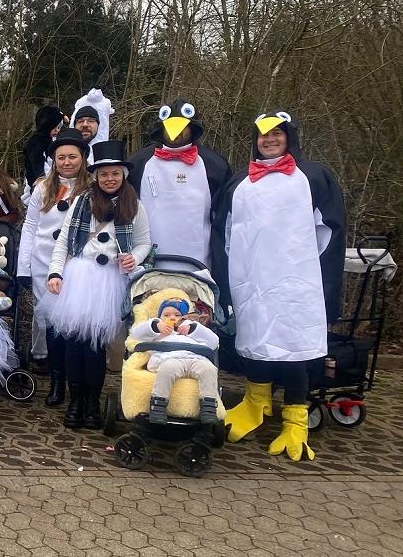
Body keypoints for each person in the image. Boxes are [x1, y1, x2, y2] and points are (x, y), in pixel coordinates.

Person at [218, 110, 345, 462]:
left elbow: (329, 231)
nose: (269, 140)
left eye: (277, 133)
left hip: (296, 280)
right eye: (263, 134)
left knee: (294, 347)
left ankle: (296, 420)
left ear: (290, 136)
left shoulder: (314, 177)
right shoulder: (240, 182)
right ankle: (255, 403)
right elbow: (224, 232)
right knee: (255, 342)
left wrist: (319, 277)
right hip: (252, 279)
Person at [47, 139, 152, 430]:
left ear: (123, 175)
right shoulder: (82, 202)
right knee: (74, 342)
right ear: (95, 176)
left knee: (95, 346)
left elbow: (144, 242)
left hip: (110, 281)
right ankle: (75, 401)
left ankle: (92, 402)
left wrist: (134, 257)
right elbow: (64, 241)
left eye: (115, 173)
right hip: (80, 276)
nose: (109, 179)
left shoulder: (135, 205)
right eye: (104, 174)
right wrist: (55, 273)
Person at [16, 129, 90, 405]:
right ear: (54, 160)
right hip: (43, 262)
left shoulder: (91, 188)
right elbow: (31, 226)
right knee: (49, 320)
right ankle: (55, 379)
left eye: (72, 157)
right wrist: (23, 266)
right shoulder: (42, 188)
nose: (67, 162)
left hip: (78, 264)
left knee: (72, 321)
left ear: (82, 158)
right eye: (61, 157)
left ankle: (74, 379)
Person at [127, 99, 232, 269]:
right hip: (150, 259)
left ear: (192, 128)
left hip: (199, 260)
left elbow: (224, 217)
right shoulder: (138, 163)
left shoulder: (214, 165)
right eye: (171, 127)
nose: (176, 132)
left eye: (182, 127)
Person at [128, 297, 219, 424]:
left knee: (209, 370)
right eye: (166, 315)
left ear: (184, 317)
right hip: (170, 357)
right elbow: (136, 333)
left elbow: (214, 341)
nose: (172, 318)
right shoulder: (157, 328)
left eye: (177, 315)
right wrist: (156, 326)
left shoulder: (192, 327)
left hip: (195, 358)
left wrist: (194, 329)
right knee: (168, 369)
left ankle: (209, 408)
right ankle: (158, 405)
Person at [23, 104, 65, 190]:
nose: (57, 131)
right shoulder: (36, 141)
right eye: (54, 128)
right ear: (46, 126)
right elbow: (36, 161)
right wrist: (41, 176)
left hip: (53, 180)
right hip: (39, 182)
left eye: (59, 127)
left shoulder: (51, 139)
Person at [70, 89, 113, 154]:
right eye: (80, 121)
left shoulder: (110, 158)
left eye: (91, 121)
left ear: (98, 126)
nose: (85, 124)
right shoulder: (61, 155)